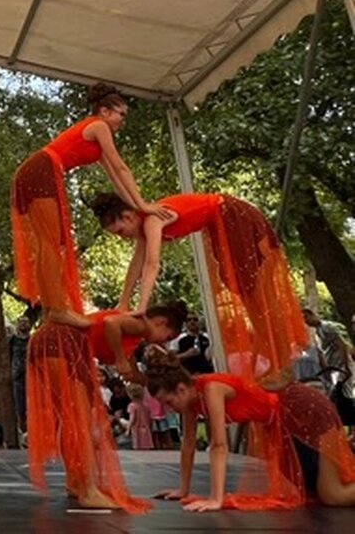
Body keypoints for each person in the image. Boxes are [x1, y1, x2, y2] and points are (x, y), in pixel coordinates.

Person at [90, 192, 307, 377]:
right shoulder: (145, 228)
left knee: (257, 297)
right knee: (248, 294)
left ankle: (283, 364)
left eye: (120, 232)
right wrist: (123, 302)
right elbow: (135, 267)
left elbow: (151, 263)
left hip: (231, 219)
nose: (122, 238)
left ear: (128, 216)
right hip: (223, 222)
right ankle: (278, 361)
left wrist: (142, 306)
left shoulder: (152, 220)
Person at [11, 83, 171, 326]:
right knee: (50, 243)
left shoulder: (96, 139)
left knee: (49, 243)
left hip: (39, 170)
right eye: (121, 114)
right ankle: (55, 306)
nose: (122, 121)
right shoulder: (98, 126)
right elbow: (121, 167)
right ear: (105, 111)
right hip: (43, 170)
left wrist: (136, 205)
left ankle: (52, 306)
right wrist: (145, 205)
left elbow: (116, 178)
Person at [145, 349, 355, 510]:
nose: (169, 408)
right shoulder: (190, 401)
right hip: (282, 422)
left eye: (169, 401)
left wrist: (215, 499)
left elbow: (219, 444)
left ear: (181, 389)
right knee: (311, 489)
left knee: (332, 495)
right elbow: (188, 444)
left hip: (305, 408)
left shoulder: (211, 389)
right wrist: (183, 489)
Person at [25, 313, 151, 512]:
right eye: (169, 336)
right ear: (161, 323)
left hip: (61, 344)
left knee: (69, 418)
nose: (164, 341)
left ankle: (76, 481)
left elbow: (131, 372)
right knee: (78, 420)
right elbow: (107, 323)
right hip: (61, 343)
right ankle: (88, 490)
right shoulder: (138, 326)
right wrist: (89, 324)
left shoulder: (133, 337)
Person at [9, 316, 32, 431]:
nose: (23, 324)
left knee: (31, 405)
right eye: (21, 322)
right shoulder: (13, 340)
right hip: (17, 376)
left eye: (25, 322)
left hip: (31, 376)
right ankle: (22, 429)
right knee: (20, 406)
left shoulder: (33, 339)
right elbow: (8, 356)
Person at [126, 383, 155, 451]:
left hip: (137, 428)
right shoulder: (146, 405)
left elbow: (132, 418)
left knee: (137, 445)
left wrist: (128, 428)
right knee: (146, 445)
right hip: (146, 428)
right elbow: (150, 418)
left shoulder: (132, 406)